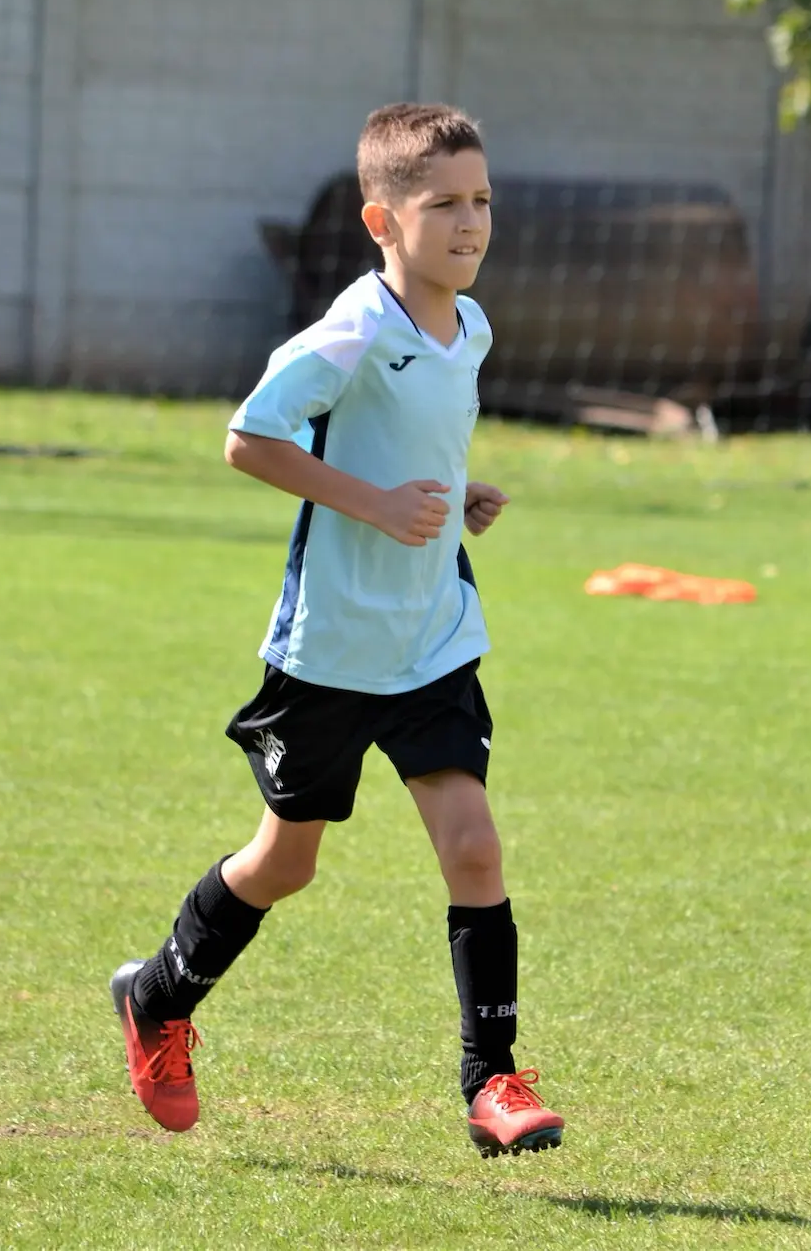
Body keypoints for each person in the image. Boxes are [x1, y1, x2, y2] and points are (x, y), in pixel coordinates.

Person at [110, 102, 564, 1159]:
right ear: (381, 219)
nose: (469, 222)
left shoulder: (470, 325)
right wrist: (374, 504)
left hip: (432, 637)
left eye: (481, 200)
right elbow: (249, 439)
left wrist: (453, 493)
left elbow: (413, 444)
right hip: (332, 649)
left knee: (474, 846)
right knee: (285, 863)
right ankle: (158, 996)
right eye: (443, 204)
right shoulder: (353, 329)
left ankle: (492, 1084)